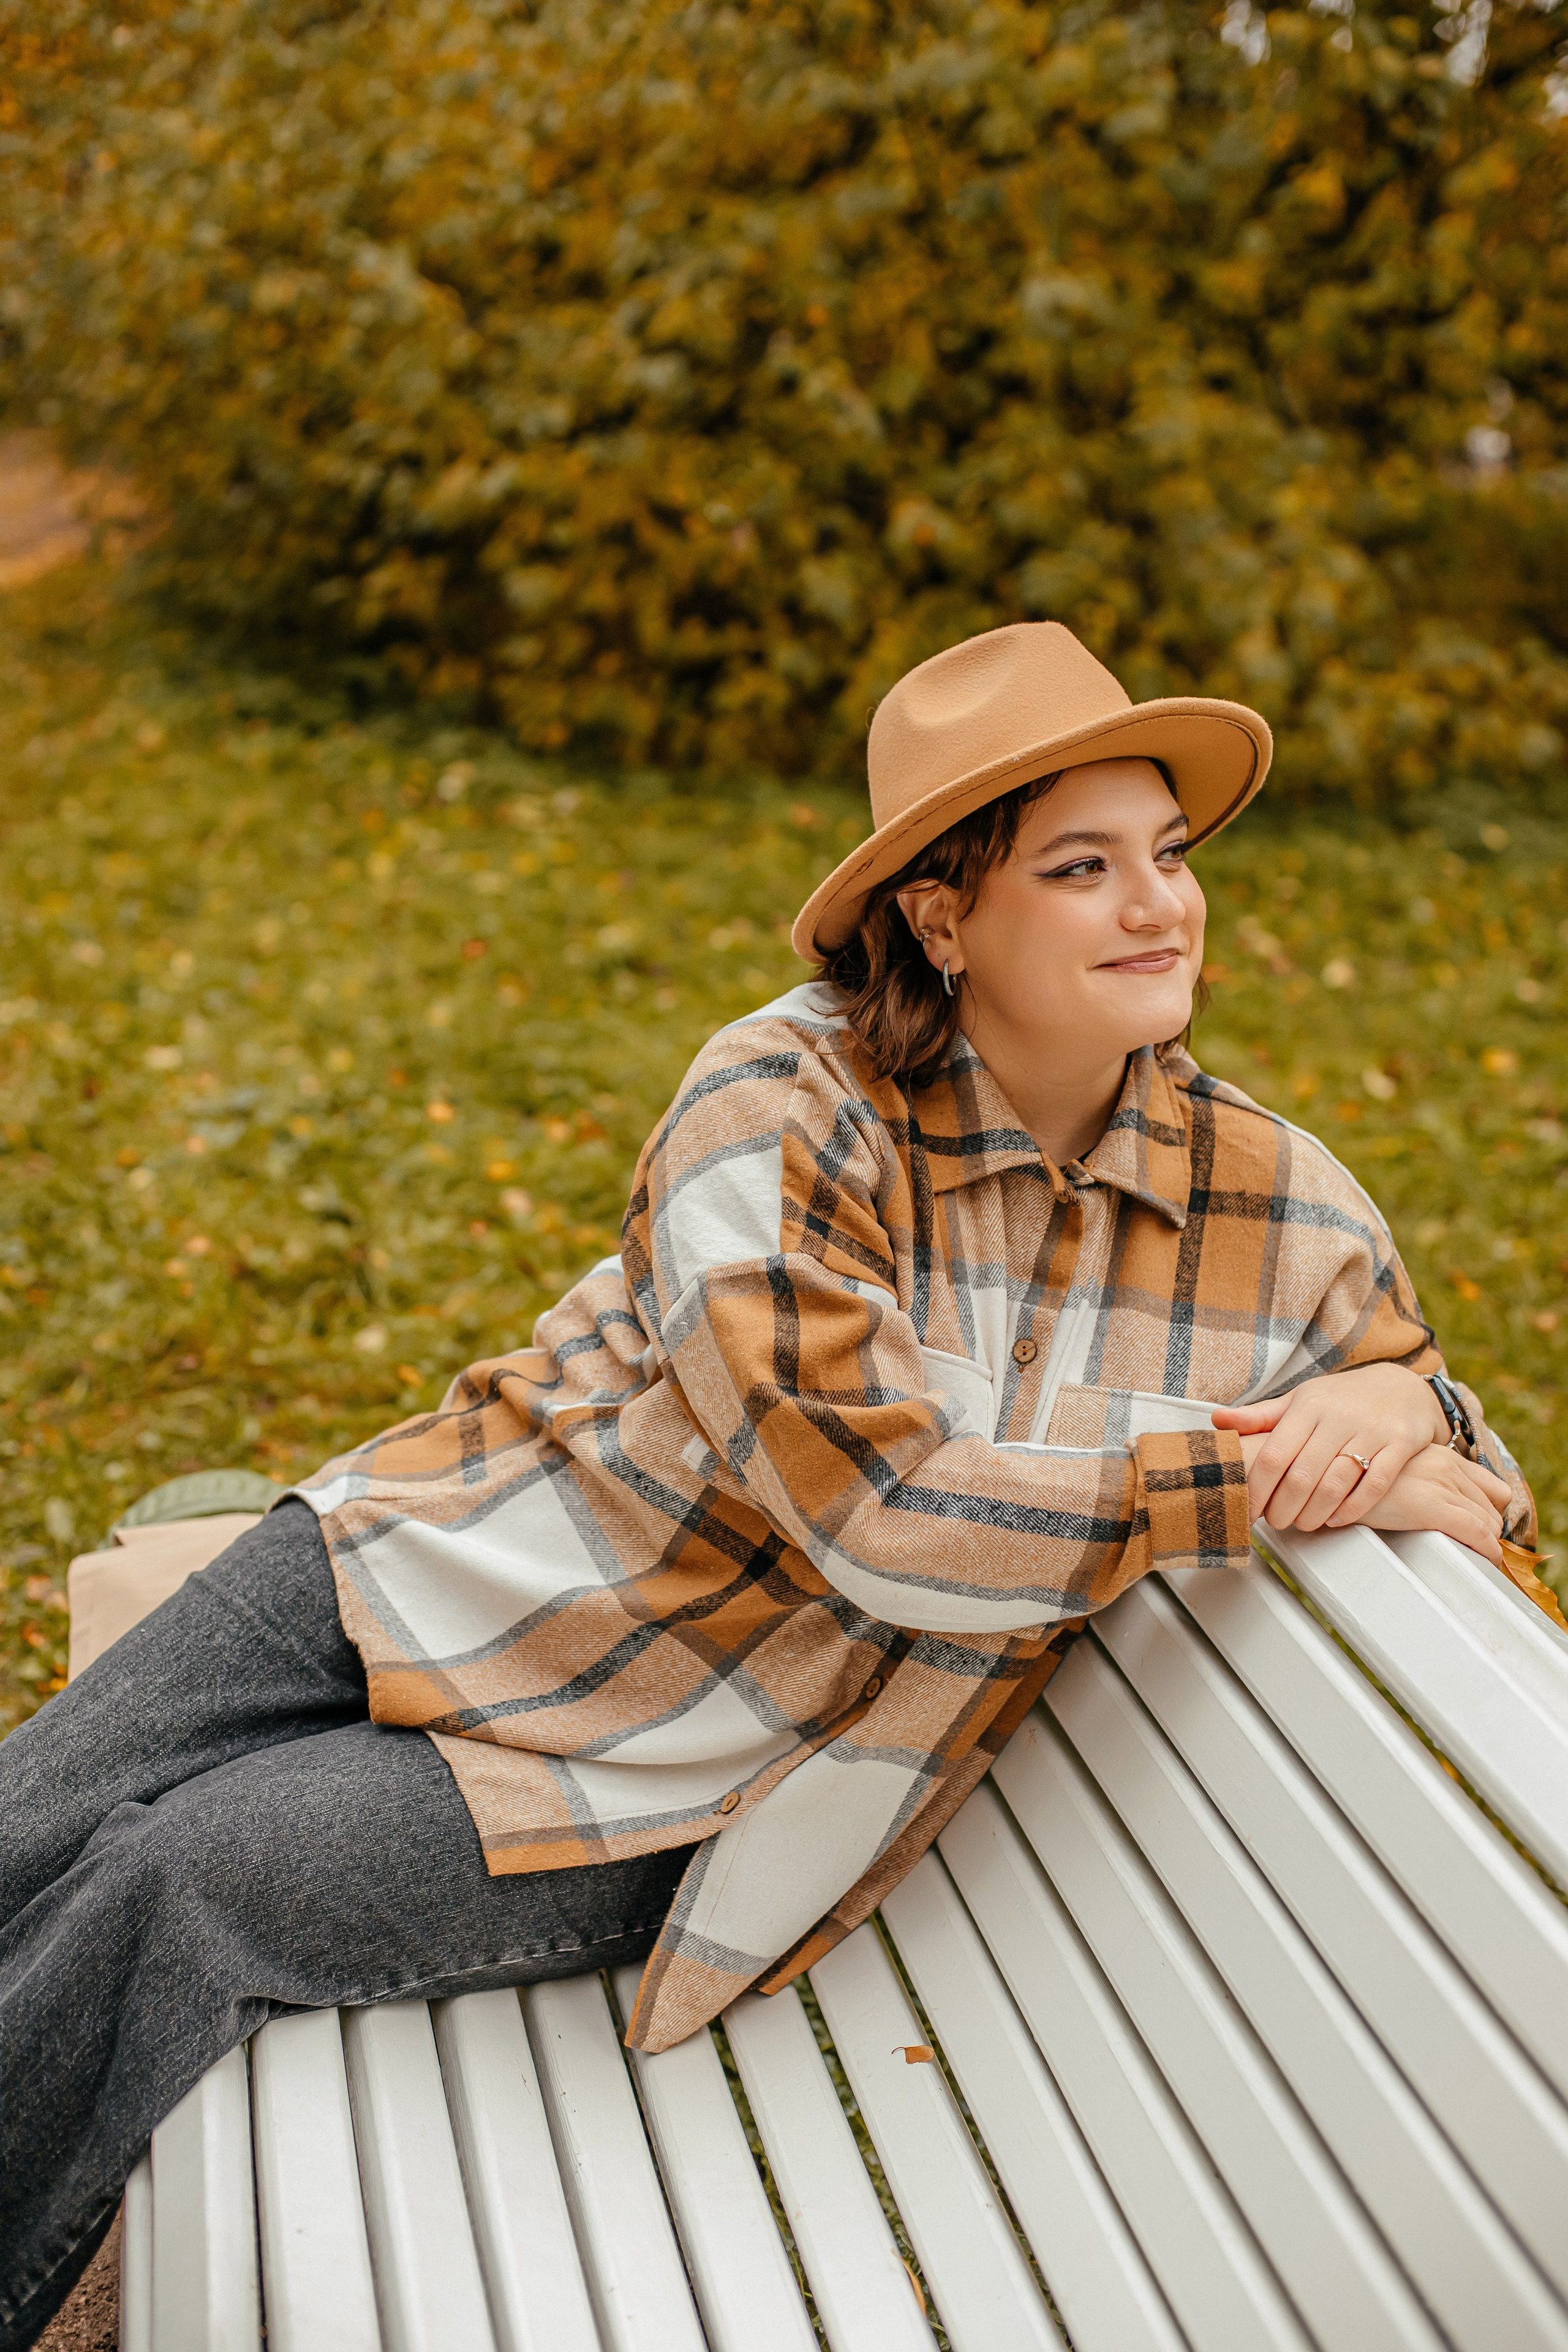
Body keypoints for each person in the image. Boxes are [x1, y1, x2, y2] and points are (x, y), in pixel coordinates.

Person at [0, 621, 1529, 2346]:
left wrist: (1423, 1425)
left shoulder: (1274, 1207)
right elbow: (877, 1513)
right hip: (457, 1550)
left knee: (177, 1884)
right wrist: (1246, 1475)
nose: (1159, 906)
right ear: (946, 918)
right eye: (1084, 867)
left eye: (1167, 856)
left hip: (690, 1756)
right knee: (27, 1821)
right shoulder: (785, 1097)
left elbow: (1458, 1461)